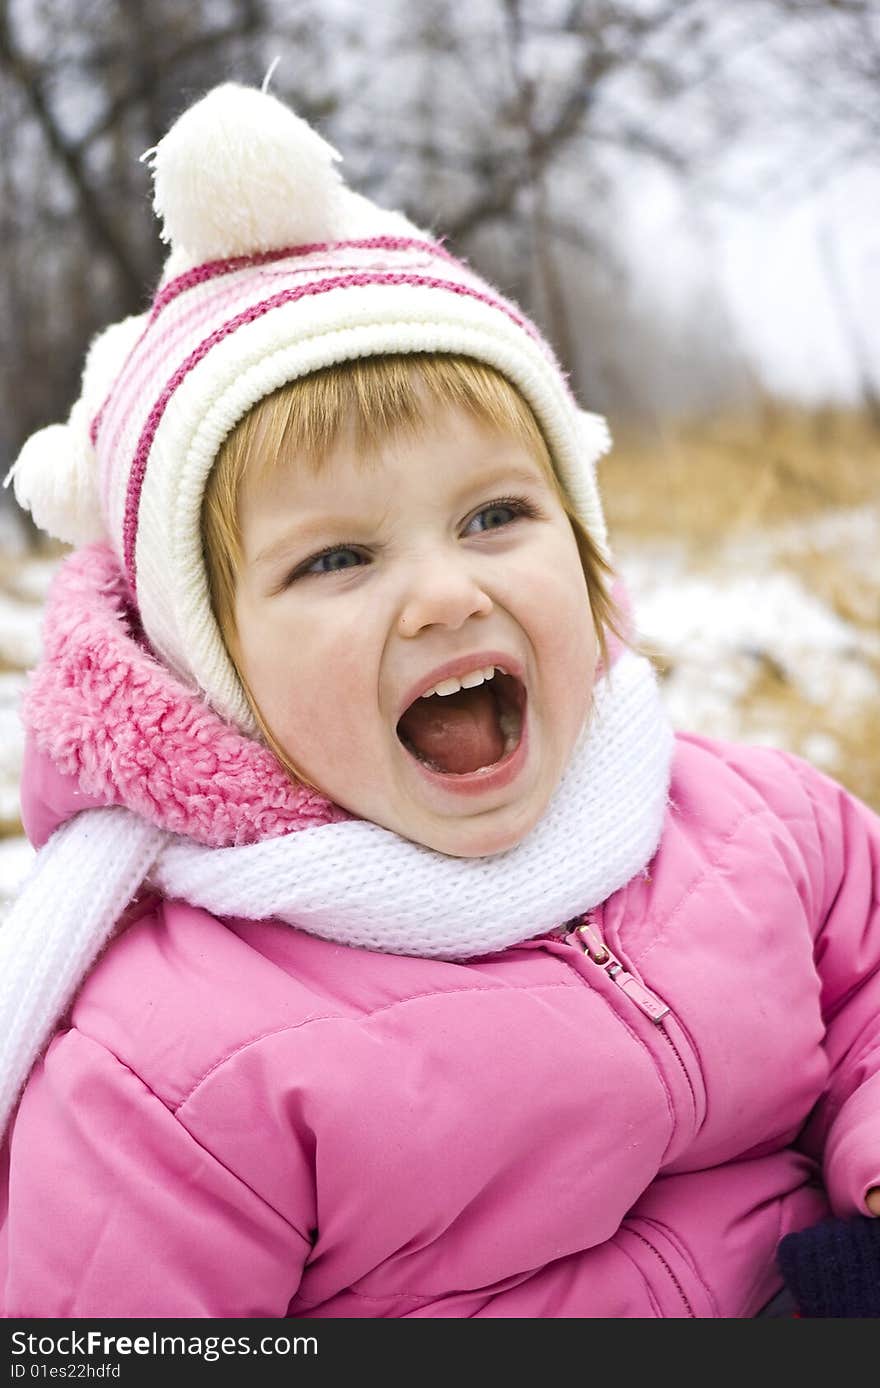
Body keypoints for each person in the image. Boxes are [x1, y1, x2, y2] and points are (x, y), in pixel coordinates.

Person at [1, 81, 879, 1320]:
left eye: (495, 516)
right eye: (336, 558)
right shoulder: (173, 1064)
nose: (442, 592)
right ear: (210, 669)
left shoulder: (757, 827)